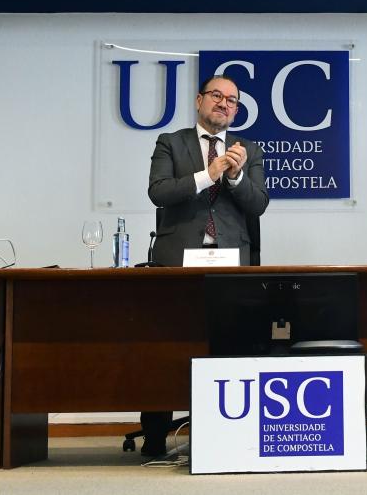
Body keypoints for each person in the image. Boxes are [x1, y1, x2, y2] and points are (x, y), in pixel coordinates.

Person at [140, 75, 269, 456]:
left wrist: (235, 175)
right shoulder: (171, 142)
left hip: (229, 263)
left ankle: (223, 432)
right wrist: (207, 174)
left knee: (227, 346)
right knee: (166, 348)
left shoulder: (248, 150)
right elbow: (158, 192)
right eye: (217, 95)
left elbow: (257, 204)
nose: (225, 104)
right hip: (177, 263)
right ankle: (155, 433)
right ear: (199, 100)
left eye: (233, 100)